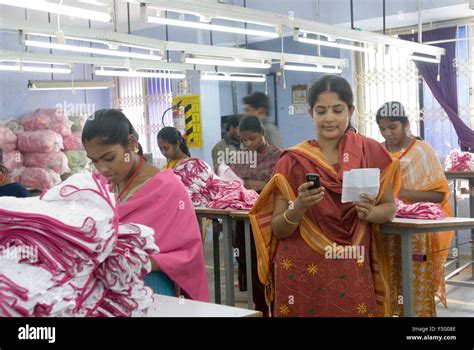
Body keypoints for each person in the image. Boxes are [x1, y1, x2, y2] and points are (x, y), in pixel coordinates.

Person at [249, 75, 399, 317]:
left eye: (337, 110)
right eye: (321, 111)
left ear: (350, 110)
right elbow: (278, 229)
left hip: (352, 264)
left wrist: (372, 213)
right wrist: (298, 207)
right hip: (301, 271)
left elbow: (389, 207)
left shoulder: (370, 151)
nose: (329, 118)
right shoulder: (292, 160)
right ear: (311, 113)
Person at [82, 109, 209, 302]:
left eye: (109, 158)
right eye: (94, 161)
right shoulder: (100, 187)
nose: (103, 168)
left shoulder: (168, 189)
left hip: (151, 283)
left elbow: (188, 255)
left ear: (131, 144)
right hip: (103, 283)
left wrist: (136, 261)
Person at [376, 101, 453, 316]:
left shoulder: (422, 151)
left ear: (406, 125)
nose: (387, 133)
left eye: (392, 127)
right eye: (382, 129)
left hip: (415, 233)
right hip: (384, 228)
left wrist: (404, 194)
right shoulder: (377, 151)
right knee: (386, 284)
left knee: (414, 285)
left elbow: (439, 195)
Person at [231, 116, 283, 315]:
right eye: (244, 140)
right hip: (244, 220)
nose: (248, 144)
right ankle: (258, 307)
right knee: (248, 263)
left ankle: (275, 306)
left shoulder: (277, 155)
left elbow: (278, 184)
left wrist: (254, 185)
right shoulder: (242, 156)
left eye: (252, 138)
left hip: (267, 219)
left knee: (268, 264)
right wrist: (249, 185)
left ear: (262, 133)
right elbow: (235, 183)